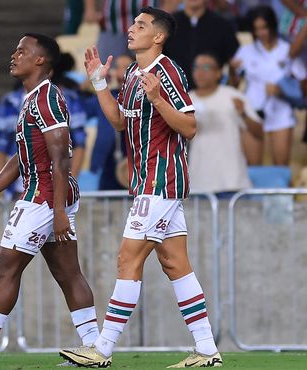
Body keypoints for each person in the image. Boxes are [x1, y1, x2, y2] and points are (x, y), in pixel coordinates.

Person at [59, 7, 222, 368]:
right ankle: (208, 350)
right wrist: (100, 83)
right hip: (147, 181)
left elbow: (190, 128)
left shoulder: (169, 72)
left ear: (158, 37)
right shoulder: (133, 72)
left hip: (161, 180)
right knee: (175, 263)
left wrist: (159, 99)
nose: (131, 30)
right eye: (133, 24)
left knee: (127, 258)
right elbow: (119, 121)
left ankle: (101, 350)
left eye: (140, 25)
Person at [0, 34, 99, 367]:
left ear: (41, 60)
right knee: (68, 272)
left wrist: (56, 211)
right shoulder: (33, 98)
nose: (14, 55)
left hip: (43, 197)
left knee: (6, 268)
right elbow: (21, 156)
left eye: (22, 51)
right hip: (48, 196)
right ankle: (94, 348)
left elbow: (60, 160)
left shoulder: (47, 98)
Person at [0, 52, 87, 200]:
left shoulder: (68, 99)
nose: (15, 57)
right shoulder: (9, 101)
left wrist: (67, 186)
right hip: (19, 189)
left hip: (55, 187)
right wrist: (3, 190)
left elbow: (79, 144)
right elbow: (0, 146)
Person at [230, 5, 306, 166]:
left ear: (272, 26)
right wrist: (231, 70)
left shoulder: (287, 50)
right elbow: (233, 84)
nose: (261, 33)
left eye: (264, 28)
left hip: (282, 115)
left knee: (280, 168)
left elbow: (303, 84)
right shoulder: (246, 50)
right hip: (253, 112)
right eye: (256, 29)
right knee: (253, 168)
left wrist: (283, 90)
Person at [189, 52, 263, 195]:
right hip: (198, 183)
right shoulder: (186, 101)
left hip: (232, 182)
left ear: (218, 73)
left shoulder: (233, 97)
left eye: (206, 67)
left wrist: (243, 114)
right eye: (196, 67)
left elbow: (259, 132)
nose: (199, 72)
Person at [164, 0, 239, 89]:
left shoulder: (222, 25)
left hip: (212, 93)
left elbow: (234, 62)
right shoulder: (168, 25)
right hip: (175, 93)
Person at [86, 54, 133, 190]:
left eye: (126, 67)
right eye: (118, 67)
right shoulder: (105, 95)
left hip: (136, 158)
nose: (121, 71)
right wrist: (90, 84)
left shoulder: (143, 96)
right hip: (108, 158)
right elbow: (83, 109)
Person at [83, 0, 180, 61]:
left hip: (148, 26)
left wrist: (168, 8)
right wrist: (89, 9)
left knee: (151, 68)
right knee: (105, 70)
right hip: (113, 25)